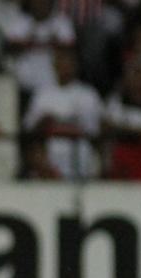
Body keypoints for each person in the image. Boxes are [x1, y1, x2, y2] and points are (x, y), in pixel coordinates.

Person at [22, 47, 103, 180]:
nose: (64, 66)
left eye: (68, 62)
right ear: (54, 65)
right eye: (60, 62)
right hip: (49, 157)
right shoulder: (42, 93)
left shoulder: (88, 94)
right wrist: (43, 122)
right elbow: (29, 129)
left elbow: (94, 131)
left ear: (75, 66)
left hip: (80, 155)